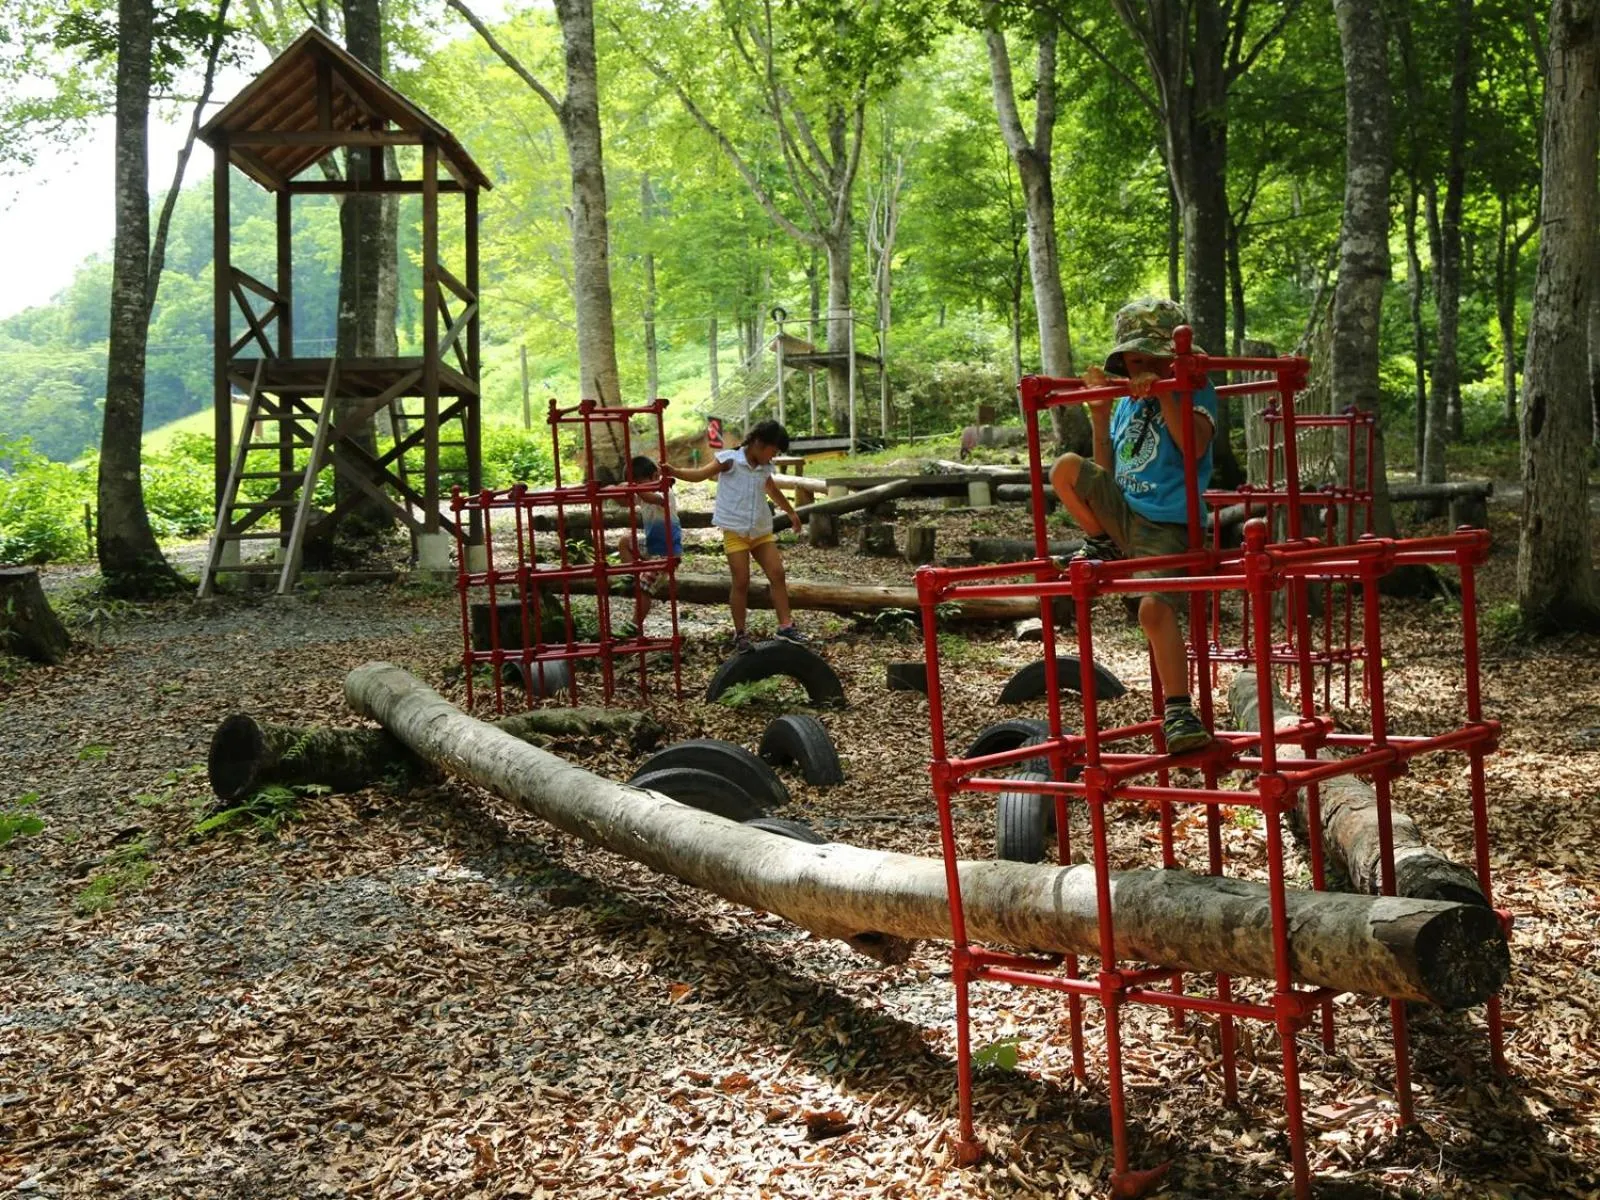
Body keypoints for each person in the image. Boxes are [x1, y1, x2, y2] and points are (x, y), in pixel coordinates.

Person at [1048, 297, 1218, 753]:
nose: (1143, 369)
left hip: (1167, 523)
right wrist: (1100, 414)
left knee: (1152, 610)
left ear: (1175, 359)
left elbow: (1194, 449)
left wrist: (1165, 391)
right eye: (1135, 361)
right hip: (1125, 513)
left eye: (1154, 359)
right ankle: (1101, 541)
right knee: (1065, 468)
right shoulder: (1126, 401)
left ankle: (1179, 710)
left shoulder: (1195, 389)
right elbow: (1106, 471)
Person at [662, 419, 810, 652]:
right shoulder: (730, 460)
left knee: (777, 574)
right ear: (759, 443)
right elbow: (700, 474)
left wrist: (791, 513)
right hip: (735, 531)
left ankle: (785, 626)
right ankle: (740, 633)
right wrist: (675, 472)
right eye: (773, 451)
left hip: (760, 531)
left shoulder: (764, 468)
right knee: (741, 581)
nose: (774, 457)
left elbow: (772, 490)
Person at [614, 455, 681, 626]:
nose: (636, 486)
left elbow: (650, 497)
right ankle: (633, 576)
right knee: (625, 541)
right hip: (651, 546)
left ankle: (634, 626)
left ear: (655, 477)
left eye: (639, 482)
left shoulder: (663, 492)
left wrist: (633, 487)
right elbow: (624, 502)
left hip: (666, 552)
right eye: (634, 483)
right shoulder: (642, 493)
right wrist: (616, 489)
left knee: (643, 589)